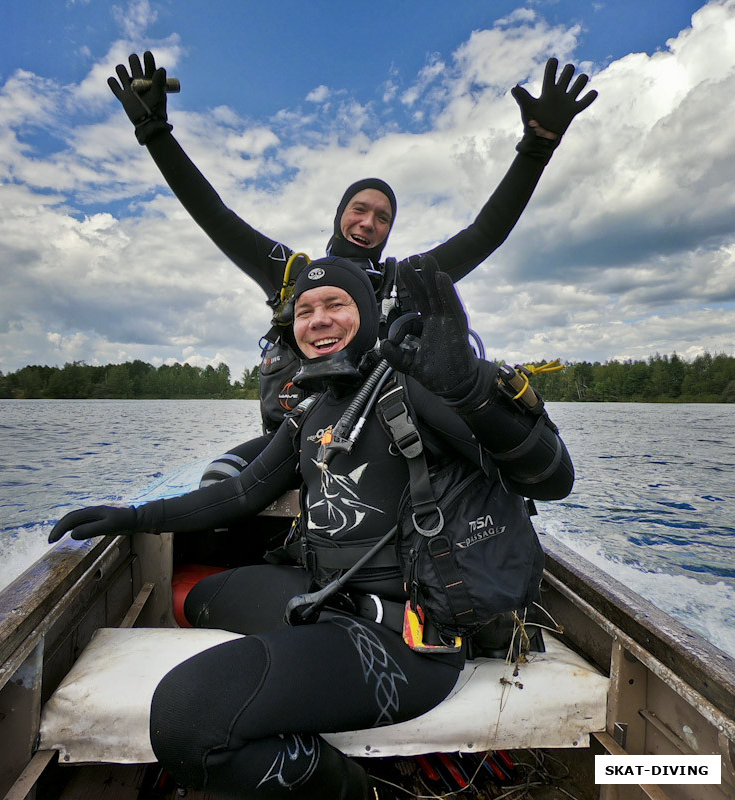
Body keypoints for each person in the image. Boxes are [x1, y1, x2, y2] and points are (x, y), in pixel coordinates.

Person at [49, 255, 574, 799]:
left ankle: (362, 793)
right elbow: (241, 492)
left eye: (335, 305)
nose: (318, 319)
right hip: (327, 600)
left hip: (406, 642)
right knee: (205, 594)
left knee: (189, 719)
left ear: (369, 317)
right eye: (305, 310)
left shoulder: (418, 388)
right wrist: (134, 517)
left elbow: (553, 478)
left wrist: (471, 391)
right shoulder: (313, 410)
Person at [108, 52, 597, 441]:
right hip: (287, 447)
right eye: (359, 209)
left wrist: (538, 145)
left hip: (380, 449)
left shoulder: (403, 280)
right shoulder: (290, 273)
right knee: (223, 479)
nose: (368, 223)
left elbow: (483, 234)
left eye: (383, 217)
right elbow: (215, 215)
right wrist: (155, 134)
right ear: (340, 214)